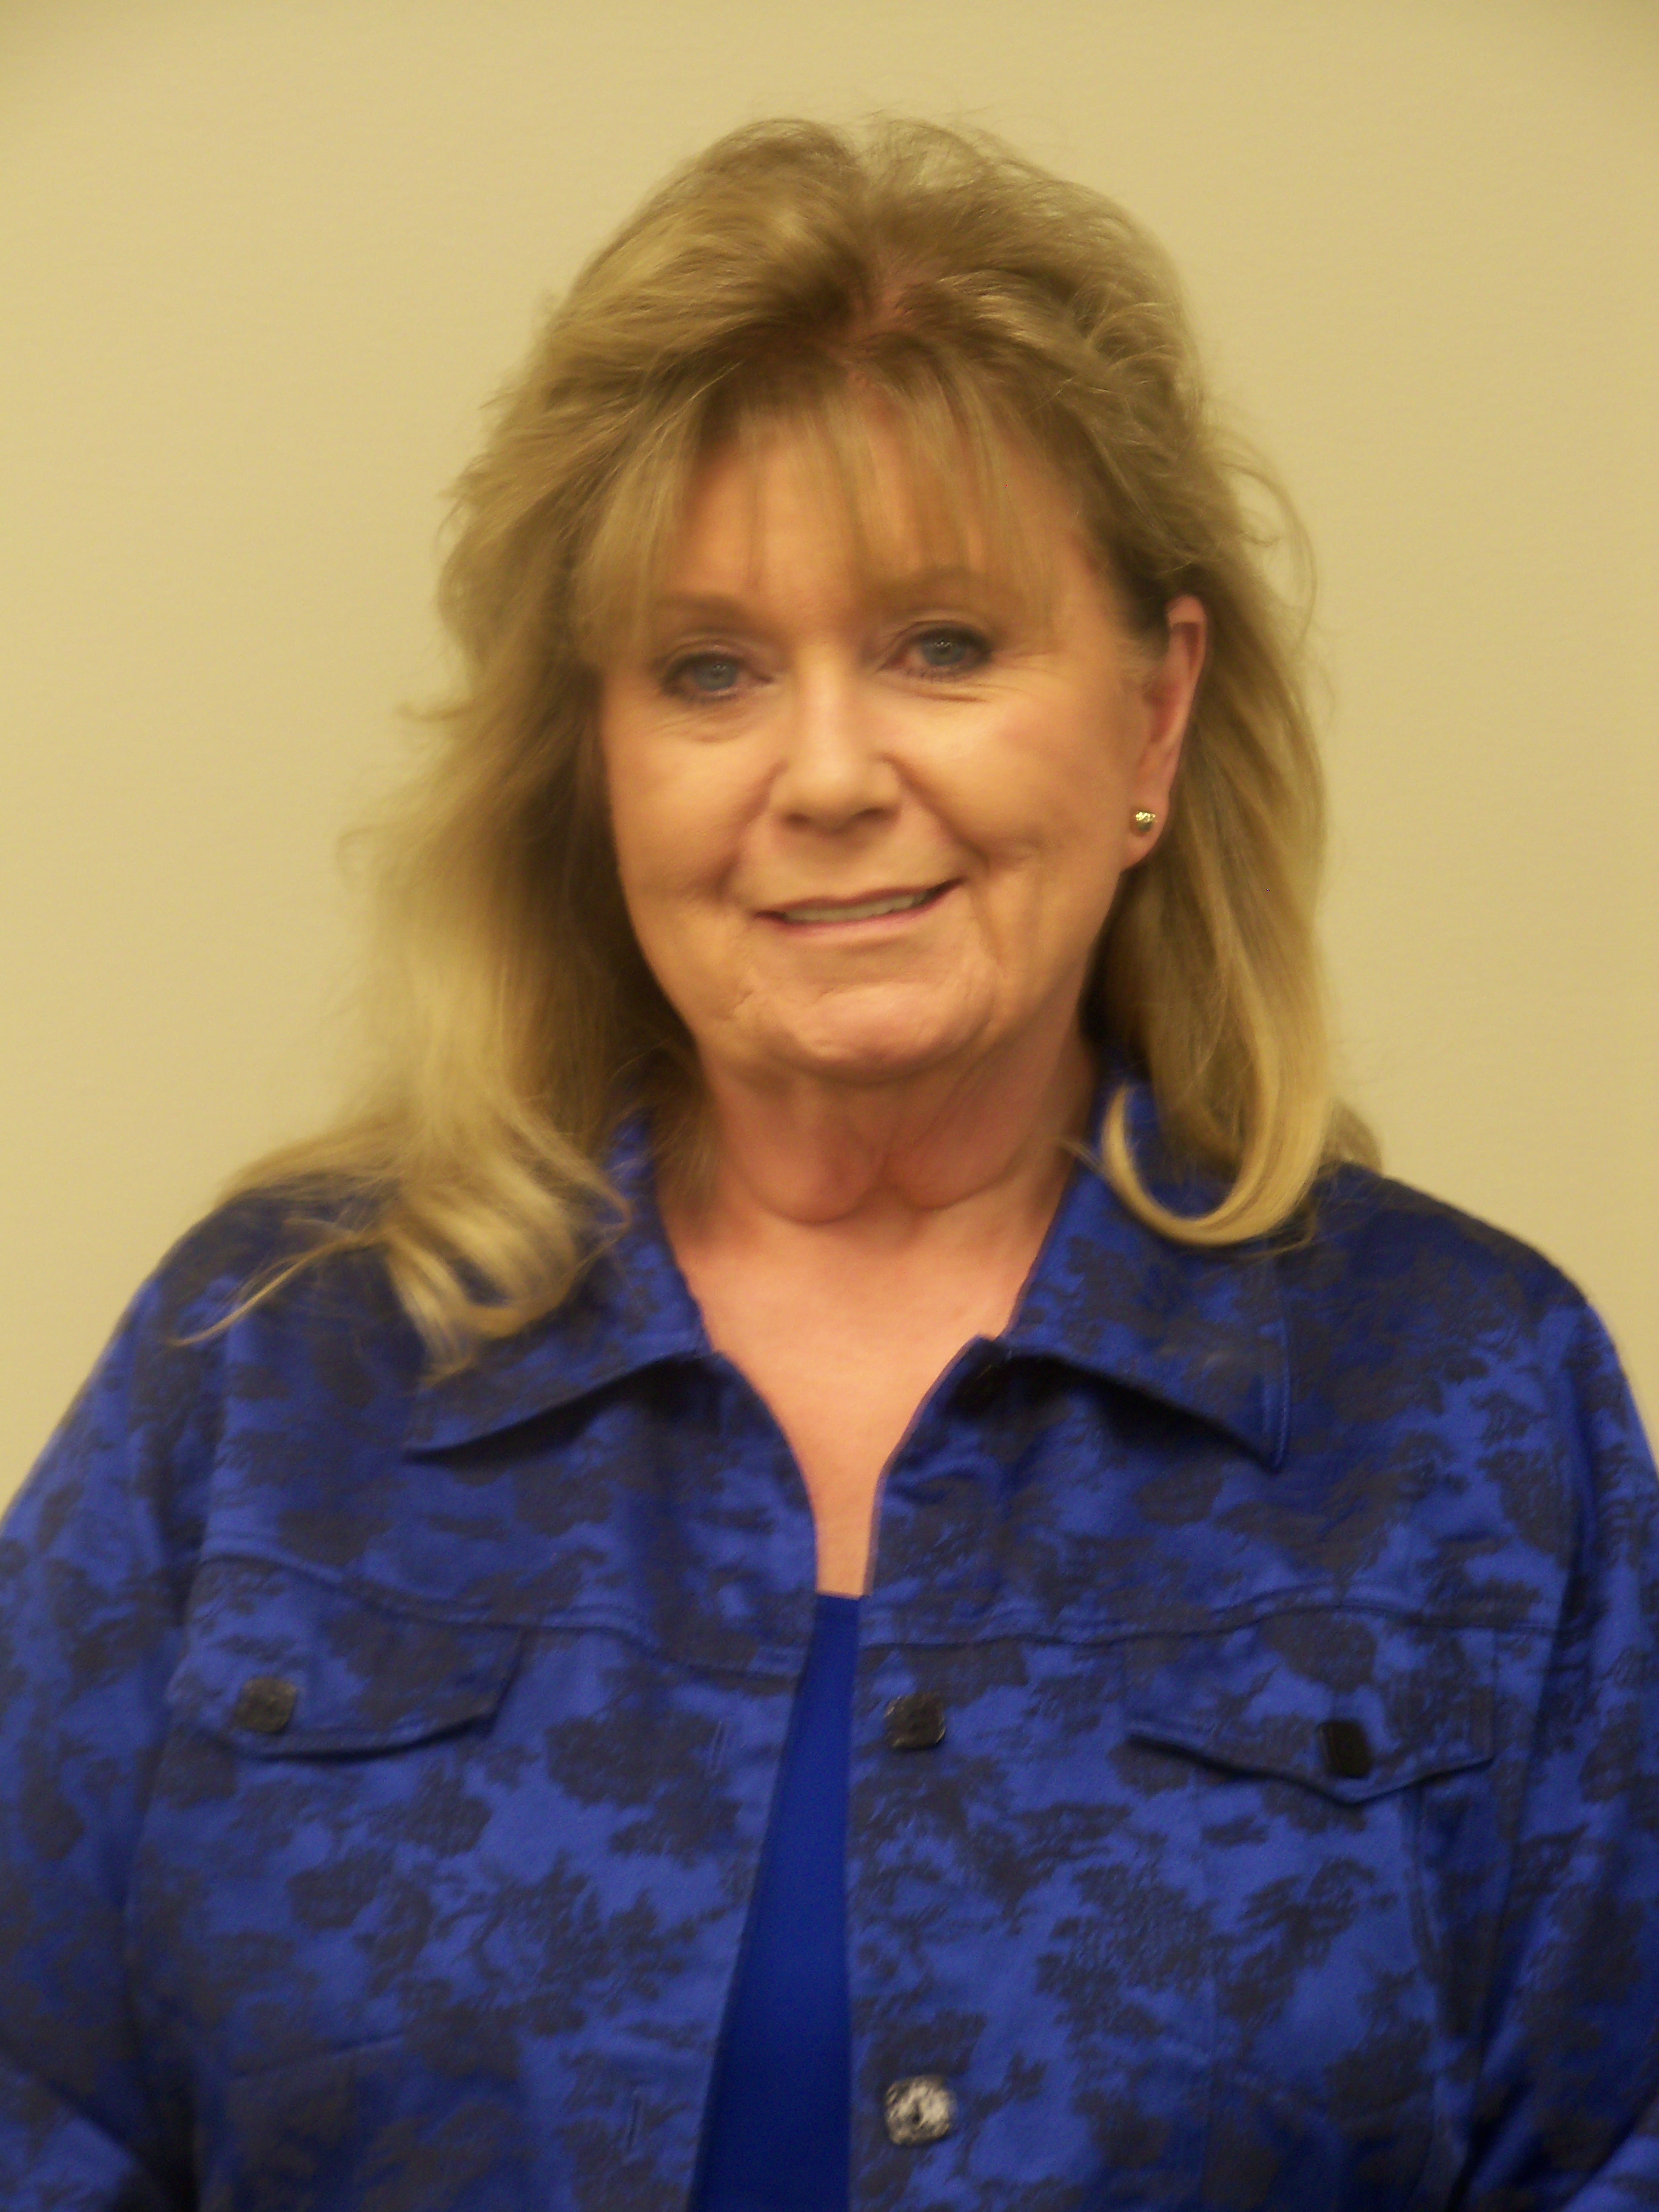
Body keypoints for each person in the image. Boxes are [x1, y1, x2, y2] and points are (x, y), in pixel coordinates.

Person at [1, 115, 1655, 2212]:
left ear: (1155, 716)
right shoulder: (269, 1367)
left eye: (943, 645)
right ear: (595, 759)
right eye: (709, 672)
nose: (828, 774)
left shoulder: (1466, 1398)